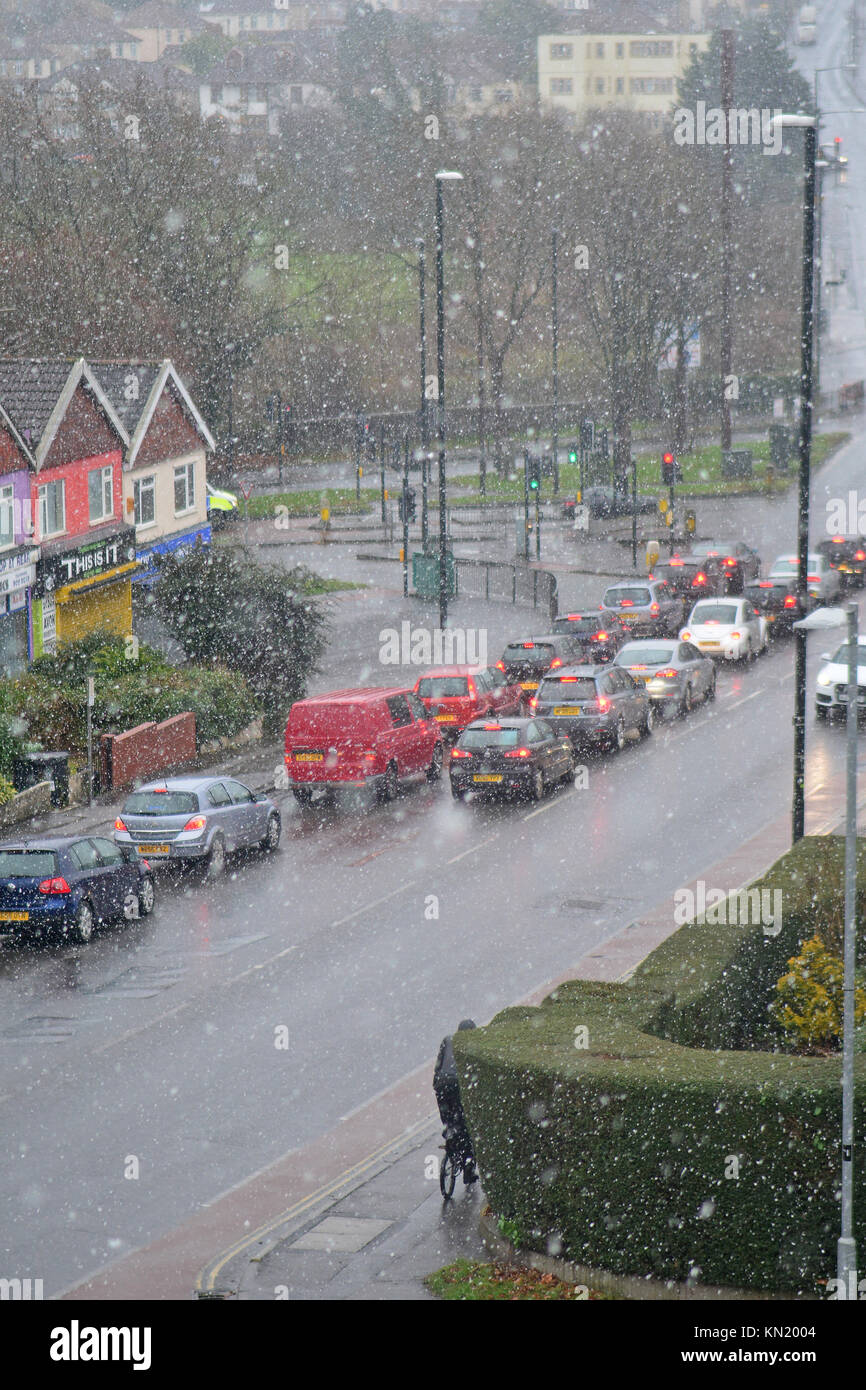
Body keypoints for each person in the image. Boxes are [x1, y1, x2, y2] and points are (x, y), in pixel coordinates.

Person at [433, 1020, 478, 1185]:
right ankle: (468, 1168)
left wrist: (436, 1083)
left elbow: (438, 1064)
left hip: (441, 1085)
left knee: (448, 1118)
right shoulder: (471, 1045)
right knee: (466, 1126)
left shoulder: (447, 1040)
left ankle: (450, 1139)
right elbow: (473, 1072)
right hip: (458, 1086)